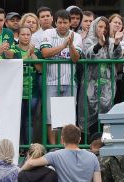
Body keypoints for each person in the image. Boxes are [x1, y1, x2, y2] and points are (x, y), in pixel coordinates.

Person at [40, 10, 82, 145]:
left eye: (65, 22)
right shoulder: (47, 33)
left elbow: (76, 59)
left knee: (67, 117)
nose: (62, 25)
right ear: (55, 22)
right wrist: (63, 45)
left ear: (70, 23)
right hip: (51, 81)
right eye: (60, 22)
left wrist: (70, 46)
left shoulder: (76, 36)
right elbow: (45, 53)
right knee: (50, 117)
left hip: (69, 81)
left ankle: (65, 145)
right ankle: (53, 146)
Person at [79, 16, 123, 136]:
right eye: (100, 26)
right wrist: (99, 44)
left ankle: (104, 138)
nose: (103, 29)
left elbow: (117, 56)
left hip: (107, 82)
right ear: (95, 27)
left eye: (105, 27)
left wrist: (117, 43)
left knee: (106, 109)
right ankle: (90, 139)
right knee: (90, 109)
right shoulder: (88, 40)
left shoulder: (110, 41)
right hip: (91, 82)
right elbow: (88, 54)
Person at [13, 26, 42, 145]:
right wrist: (27, 55)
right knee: (16, 120)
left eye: (28, 34)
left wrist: (32, 55)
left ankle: (28, 148)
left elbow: (40, 69)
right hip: (16, 91)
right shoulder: (13, 50)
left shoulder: (36, 51)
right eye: (23, 34)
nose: (25, 37)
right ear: (18, 36)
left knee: (29, 121)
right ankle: (17, 147)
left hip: (32, 91)